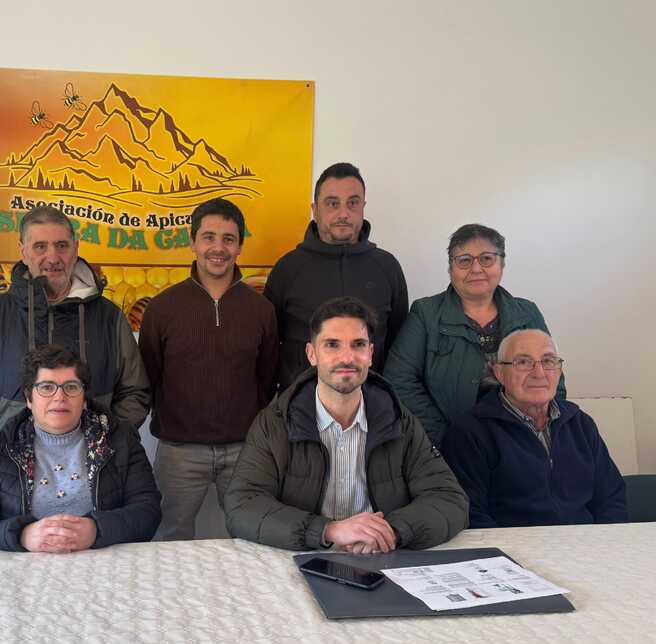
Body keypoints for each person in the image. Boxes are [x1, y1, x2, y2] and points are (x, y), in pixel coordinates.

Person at [225, 297, 468, 552]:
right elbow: (242, 506)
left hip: (381, 555)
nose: (347, 357)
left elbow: (449, 498)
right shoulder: (274, 423)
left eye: (358, 345)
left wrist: (390, 531)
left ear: (370, 354)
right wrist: (329, 531)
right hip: (303, 555)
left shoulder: (400, 420)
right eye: (332, 345)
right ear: (311, 354)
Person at [0, 205, 150, 453]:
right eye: (40, 246)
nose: (53, 258)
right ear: (23, 252)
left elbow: (135, 391)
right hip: (12, 468)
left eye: (62, 245)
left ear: (76, 249)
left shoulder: (109, 317)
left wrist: (110, 445)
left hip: (95, 466)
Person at [138, 198, 277, 540]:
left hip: (245, 449)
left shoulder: (261, 310)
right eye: (209, 237)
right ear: (193, 242)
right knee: (169, 538)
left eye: (228, 239)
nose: (218, 248)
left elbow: (267, 378)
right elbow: (148, 376)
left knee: (252, 537)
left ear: (240, 246)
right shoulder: (162, 308)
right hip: (179, 452)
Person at [0, 345, 160, 552]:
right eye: (46, 387)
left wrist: (97, 530)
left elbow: (148, 512)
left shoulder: (120, 440)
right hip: (23, 563)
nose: (60, 397)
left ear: (84, 398)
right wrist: (21, 535)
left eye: (71, 387)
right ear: (28, 398)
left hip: (103, 560)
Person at [384, 223, 564, 445]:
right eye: (464, 260)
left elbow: (553, 377)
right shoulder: (426, 313)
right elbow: (399, 380)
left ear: (502, 264)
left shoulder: (527, 313)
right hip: (448, 444)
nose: (476, 269)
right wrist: (446, 438)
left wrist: (533, 431)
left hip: (522, 440)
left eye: (486, 258)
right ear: (450, 268)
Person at [440, 329, 627, 528]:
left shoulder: (580, 423)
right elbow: (470, 513)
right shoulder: (469, 432)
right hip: (512, 545)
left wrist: (605, 541)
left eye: (548, 361)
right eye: (523, 362)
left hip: (584, 542)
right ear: (499, 373)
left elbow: (611, 498)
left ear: (559, 371)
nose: (539, 373)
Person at [264, 162, 408, 389]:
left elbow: (398, 348)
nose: (343, 213)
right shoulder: (287, 269)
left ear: (363, 206)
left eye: (353, 203)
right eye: (332, 203)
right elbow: (269, 346)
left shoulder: (387, 267)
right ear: (315, 210)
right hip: (300, 404)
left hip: (371, 404)